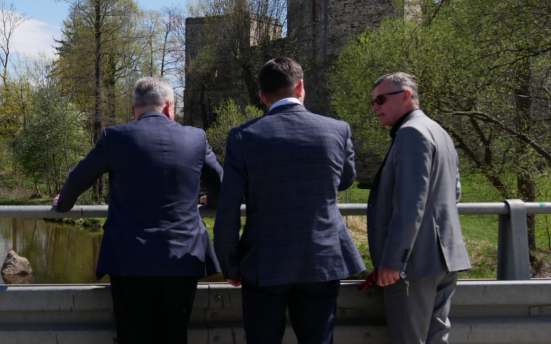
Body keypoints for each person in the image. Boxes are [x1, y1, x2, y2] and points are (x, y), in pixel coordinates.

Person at [52, 77, 223, 344]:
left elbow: (78, 178)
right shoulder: (196, 138)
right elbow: (222, 186)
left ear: (134, 110)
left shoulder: (115, 137)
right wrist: (210, 203)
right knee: (174, 336)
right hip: (183, 256)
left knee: (133, 337)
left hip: (130, 258)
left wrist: (62, 204)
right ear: (169, 107)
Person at [213, 57, 364, 344]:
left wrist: (230, 264)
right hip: (322, 257)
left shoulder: (243, 136)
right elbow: (345, 180)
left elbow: (228, 209)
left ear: (262, 96)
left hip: (264, 261)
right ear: (301, 87)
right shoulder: (337, 130)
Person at [365, 72, 470, 343]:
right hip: (444, 258)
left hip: (415, 264)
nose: (375, 107)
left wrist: (394, 260)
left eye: (380, 99)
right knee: (436, 338)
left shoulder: (411, 133)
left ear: (406, 96)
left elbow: (411, 203)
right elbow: (454, 193)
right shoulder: (438, 130)